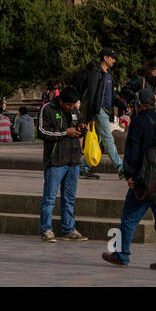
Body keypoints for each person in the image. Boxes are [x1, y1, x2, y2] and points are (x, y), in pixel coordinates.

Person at [102, 88, 156, 270]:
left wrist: (130, 175)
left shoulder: (138, 123)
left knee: (129, 217)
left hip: (143, 180)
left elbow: (132, 152)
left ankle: (122, 255)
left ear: (140, 105)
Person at [36, 86, 88, 243]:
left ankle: (68, 229)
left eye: (73, 105)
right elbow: (42, 132)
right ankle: (46, 229)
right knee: (50, 198)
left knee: (69, 197)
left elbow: (79, 124)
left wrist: (81, 129)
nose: (70, 108)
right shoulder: (48, 109)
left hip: (73, 159)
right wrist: (65, 132)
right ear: (60, 100)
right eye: (68, 105)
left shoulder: (74, 110)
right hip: (55, 160)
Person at [76, 48, 124, 178]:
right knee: (108, 139)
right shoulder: (96, 73)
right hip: (99, 110)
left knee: (97, 140)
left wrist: (122, 104)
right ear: (105, 58)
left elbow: (112, 95)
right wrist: (92, 115)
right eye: (112, 58)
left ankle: (84, 168)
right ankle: (121, 167)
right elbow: (92, 96)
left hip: (106, 111)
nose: (114, 60)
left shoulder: (108, 74)